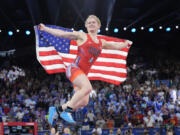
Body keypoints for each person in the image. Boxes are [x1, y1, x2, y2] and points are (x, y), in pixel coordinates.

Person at [38, 15, 133, 124]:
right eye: (89, 22)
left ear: (98, 26)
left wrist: (126, 44)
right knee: (87, 88)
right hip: (74, 69)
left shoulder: (101, 43)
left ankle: (56, 109)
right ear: (86, 26)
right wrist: (45, 29)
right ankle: (66, 111)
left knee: (84, 102)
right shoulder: (82, 35)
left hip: (82, 74)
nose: (91, 24)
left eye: (94, 22)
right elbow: (62, 34)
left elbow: (116, 46)